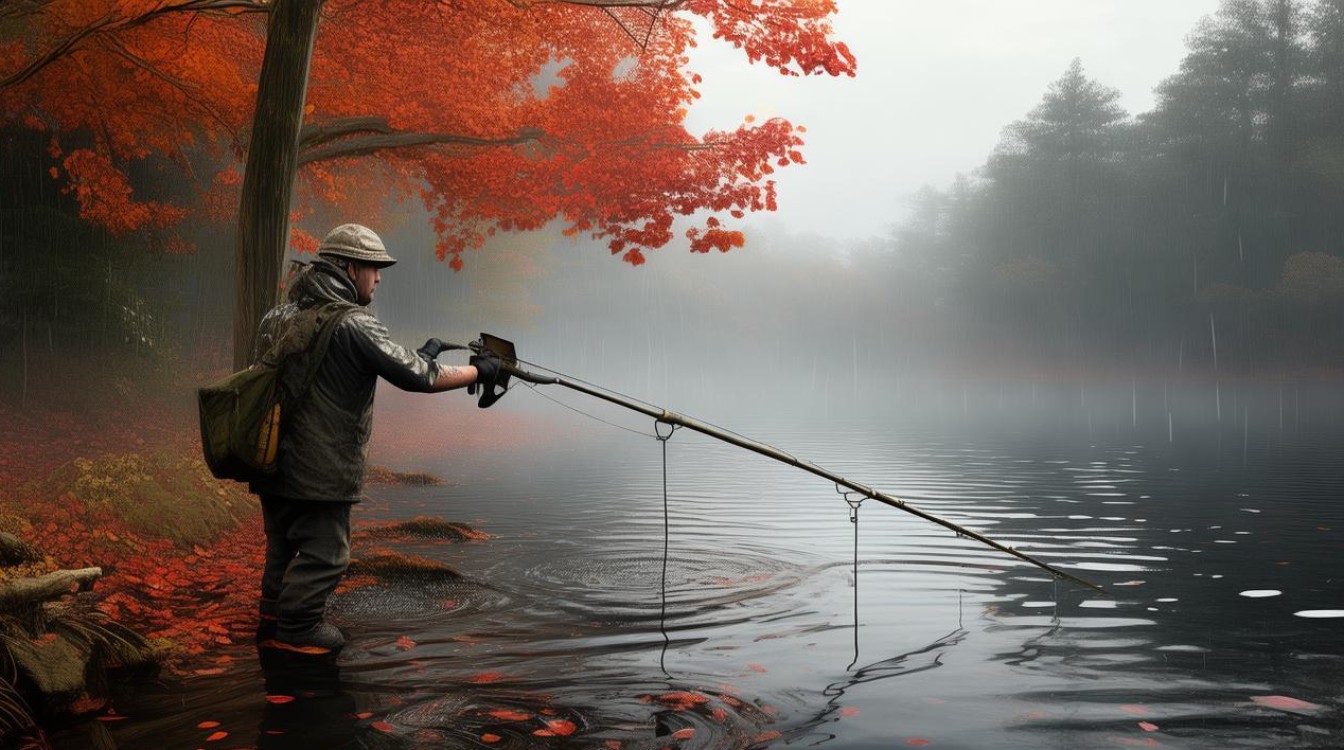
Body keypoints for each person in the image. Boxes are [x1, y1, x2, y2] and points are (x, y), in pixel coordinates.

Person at [248, 223, 498, 652]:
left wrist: (423, 354)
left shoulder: (280, 315)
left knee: (283, 544)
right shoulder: (353, 322)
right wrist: (480, 371)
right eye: (373, 268)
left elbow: (347, 366)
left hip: (272, 459)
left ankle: (272, 618)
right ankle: (298, 629)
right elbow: (419, 378)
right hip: (320, 469)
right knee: (326, 554)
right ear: (349, 268)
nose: (379, 278)